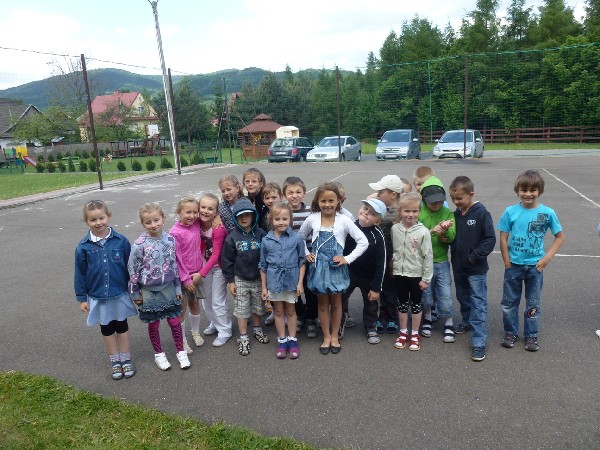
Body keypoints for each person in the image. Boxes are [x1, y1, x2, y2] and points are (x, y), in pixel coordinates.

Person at [498, 169, 564, 352]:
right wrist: (507, 261)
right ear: (517, 190)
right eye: (524, 190)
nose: (528, 194)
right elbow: (503, 237)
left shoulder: (547, 213)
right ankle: (510, 332)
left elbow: (559, 237)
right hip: (514, 266)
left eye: (533, 190)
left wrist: (546, 258)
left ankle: (531, 335)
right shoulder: (510, 212)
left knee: (533, 303)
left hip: (535, 267)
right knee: (509, 302)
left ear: (539, 191)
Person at [299, 182, 368, 354]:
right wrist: (306, 253)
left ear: (338, 201)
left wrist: (347, 258)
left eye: (331, 200)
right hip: (318, 268)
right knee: (322, 304)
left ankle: (335, 336)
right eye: (323, 201)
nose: (327, 204)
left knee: (337, 304)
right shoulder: (312, 218)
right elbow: (299, 238)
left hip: (337, 268)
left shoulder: (344, 220)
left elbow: (363, 241)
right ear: (318, 201)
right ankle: (326, 336)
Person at [74, 200, 138, 380]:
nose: (98, 222)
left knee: (122, 326)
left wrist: (135, 290)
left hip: (119, 294)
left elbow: (131, 267)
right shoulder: (83, 246)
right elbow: (80, 273)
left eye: (101, 218)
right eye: (93, 219)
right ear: (87, 221)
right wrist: (82, 298)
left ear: (108, 216)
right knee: (107, 329)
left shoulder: (121, 241)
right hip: (98, 296)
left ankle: (125, 358)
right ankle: (115, 361)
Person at [128, 203, 190, 371]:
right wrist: (135, 293)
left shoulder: (170, 240)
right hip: (149, 291)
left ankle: (180, 351)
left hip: (168, 287)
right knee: (154, 323)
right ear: (143, 224)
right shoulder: (139, 245)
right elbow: (132, 270)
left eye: (156, 220)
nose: (153, 225)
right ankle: (159, 354)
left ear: (163, 219)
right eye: (148, 222)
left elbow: (174, 266)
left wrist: (178, 288)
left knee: (174, 320)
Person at [449, 176, 496, 361]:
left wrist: (474, 256)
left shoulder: (481, 213)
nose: (456, 202)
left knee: (478, 303)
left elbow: (490, 239)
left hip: (475, 268)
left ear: (471, 194)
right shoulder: (456, 214)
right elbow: (453, 237)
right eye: (453, 198)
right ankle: (467, 321)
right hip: (458, 266)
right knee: (462, 296)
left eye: (459, 198)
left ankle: (479, 342)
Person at [221, 197, 269, 355]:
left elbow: (268, 254)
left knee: (258, 306)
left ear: (253, 215)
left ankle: (257, 329)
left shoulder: (261, 234)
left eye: (247, 214)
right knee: (241, 309)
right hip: (240, 279)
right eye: (240, 215)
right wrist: (230, 281)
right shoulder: (232, 237)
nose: (244, 218)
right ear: (235, 217)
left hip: (258, 278)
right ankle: (243, 337)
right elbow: (227, 261)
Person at [259, 202, 306, 359]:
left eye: (285, 219)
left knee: (291, 311)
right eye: (277, 219)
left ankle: (292, 340)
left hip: (291, 281)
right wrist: (264, 287)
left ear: (290, 219)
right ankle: (282, 340)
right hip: (274, 282)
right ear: (271, 220)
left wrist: (300, 283)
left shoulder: (296, 238)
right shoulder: (266, 240)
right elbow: (263, 265)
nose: (281, 222)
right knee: (278, 311)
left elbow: (302, 261)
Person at [391, 192, 433, 352]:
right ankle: (403, 332)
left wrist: (426, 278)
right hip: (400, 274)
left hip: (416, 275)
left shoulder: (423, 232)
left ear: (419, 211)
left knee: (416, 305)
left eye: (415, 211)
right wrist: (393, 268)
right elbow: (395, 250)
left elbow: (428, 256)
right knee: (402, 305)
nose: (411, 214)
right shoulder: (395, 229)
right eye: (407, 211)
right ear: (400, 211)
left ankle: (415, 334)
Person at [342, 198, 387, 344]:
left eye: (372, 213)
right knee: (341, 298)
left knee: (371, 302)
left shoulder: (377, 235)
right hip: (349, 272)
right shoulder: (350, 227)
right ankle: (341, 319)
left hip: (369, 276)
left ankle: (370, 326)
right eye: (366, 208)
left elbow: (381, 262)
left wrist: (377, 288)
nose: (366, 213)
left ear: (378, 221)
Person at [418, 176, 456, 343]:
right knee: (426, 294)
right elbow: (415, 237)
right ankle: (427, 317)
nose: (437, 205)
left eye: (440, 201)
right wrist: (432, 231)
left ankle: (448, 321)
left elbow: (452, 238)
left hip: (441, 261)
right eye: (432, 202)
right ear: (424, 199)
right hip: (424, 262)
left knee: (445, 293)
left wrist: (445, 233)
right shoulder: (419, 213)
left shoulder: (447, 213)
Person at [368, 175, 404, 334]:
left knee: (389, 290)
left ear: (393, 194)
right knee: (378, 288)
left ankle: (392, 318)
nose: (377, 195)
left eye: (381, 192)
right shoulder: (384, 209)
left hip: (390, 258)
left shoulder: (395, 214)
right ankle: (381, 316)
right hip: (378, 258)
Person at [169, 196, 204, 355]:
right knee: (181, 310)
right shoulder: (175, 233)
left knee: (195, 305)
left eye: (195, 212)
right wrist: (185, 279)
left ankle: (195, 332)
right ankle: (181, 340)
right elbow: (176, 259)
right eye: (188, 212)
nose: (192, 216)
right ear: (179, 212)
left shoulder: (196, 223)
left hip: (197, 275)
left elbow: (210, 215)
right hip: (183, 278)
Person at [197, 193, 232, 347]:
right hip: (204, 267)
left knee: (218, 301)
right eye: (203, 207)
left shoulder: (218, 229)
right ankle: (215, 322)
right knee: (206, 301)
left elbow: (216, 255)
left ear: (216, 212)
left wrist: (201, 273)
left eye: (210, 209)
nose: (205, 211)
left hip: (219, 268)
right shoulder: (197, 223)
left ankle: (225, 330)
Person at [284, 176, 316, 337]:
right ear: (284, 195)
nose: (294, 196)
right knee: (293, 289)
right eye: (290, 192)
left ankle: (311, 318)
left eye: (298, 192)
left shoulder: (311, 211)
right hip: (291, 259)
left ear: (304, 193)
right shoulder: (283, 212)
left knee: (310, 290)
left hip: (309, 257)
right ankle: (300, 314)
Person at [260, 182, 283, 325]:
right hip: (270, 254)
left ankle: (287, 313)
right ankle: (275, 311)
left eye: (274, 197)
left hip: (285, 253)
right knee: (271, 284)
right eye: (267, 198)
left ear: (281, 197)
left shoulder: (285, 212)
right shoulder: (263, 214)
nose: (270, 200)